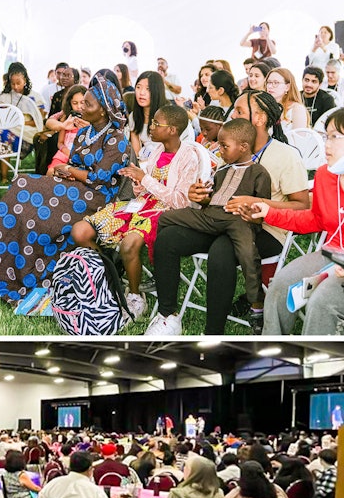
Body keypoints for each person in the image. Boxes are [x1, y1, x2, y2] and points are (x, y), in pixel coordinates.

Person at [0, 74, 130, 304]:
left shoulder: (117, 139)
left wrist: (70, 170)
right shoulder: (84, 132)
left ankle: (27, 273)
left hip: (97, 197)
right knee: (22, 188)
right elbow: (75, 162)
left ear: (104, 111)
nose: (81, 106)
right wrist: (64, 170)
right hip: (73, 186)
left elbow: (100, 178)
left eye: (88, 103)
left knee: (28, 193)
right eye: (82, 101)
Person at [149, 91, 310, 337]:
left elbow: (302, 205)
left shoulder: (285, 155)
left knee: (222, 251)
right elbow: (217, 196)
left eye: (238, 111)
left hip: (263, 229)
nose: (230, 116)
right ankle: (168, 316)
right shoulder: (229, 153)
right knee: (168, 237)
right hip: (218, 220)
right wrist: (200, 197)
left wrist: (258, 202)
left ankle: (213, 333)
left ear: (260, 118)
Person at [255, 105, 344, 335]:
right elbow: (315, 220)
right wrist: (268, 212)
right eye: (326, 136)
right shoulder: (324, 176)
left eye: (336, 137)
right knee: (279, 286)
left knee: (323, 299)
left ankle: (316, 364)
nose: (326, 145)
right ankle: (274, 351)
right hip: (332, 255)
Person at [73, 104, 203, 319]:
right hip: (141, 204)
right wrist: (137, 179)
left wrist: (145, 179)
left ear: (172, 130)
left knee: (129, 244)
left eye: (156, 123)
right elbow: (143, 189)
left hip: (165, 211)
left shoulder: (189, 156)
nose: (150, 127)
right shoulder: (156, 150)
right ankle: (109, 276)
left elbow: (180, 201)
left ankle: (134, 297)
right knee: (80, 231)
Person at [146, 119, 272, 333]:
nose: (219, 150)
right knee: (166, 219)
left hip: (236, 221)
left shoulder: (259, 173)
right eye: (220, 145)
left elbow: (261, 209)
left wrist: (250, 213)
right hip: (210, 217)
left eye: (224, 146)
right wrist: (202, 196)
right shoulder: (222, 171)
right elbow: (213, 198)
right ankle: (165, 300)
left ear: (243, 147)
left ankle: (256, 304)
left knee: (248, 256)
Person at [129, 70, 167, 157]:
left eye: (148, 89)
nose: (141, 93)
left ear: (157, 91)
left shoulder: (168, 115)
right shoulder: (134, 116)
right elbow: (136, 152)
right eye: (138, 87)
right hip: (145, 162)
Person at [266, 68, 309, 133]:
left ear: (287, 87)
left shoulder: (297, 108)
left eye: (276, 83)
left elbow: (299, 139)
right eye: (269, 82)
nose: (270, 86)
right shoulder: (265, 106)